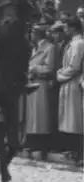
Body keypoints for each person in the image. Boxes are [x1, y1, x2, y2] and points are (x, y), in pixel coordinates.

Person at [25, 24, 57, 159]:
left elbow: (50, 68)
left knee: (40, 116)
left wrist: (34, 69)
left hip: (42, 85)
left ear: (37, 34)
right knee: (32, 116)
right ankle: (32, 141)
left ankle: (41, 143)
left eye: (32, 33)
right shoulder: (34, 48)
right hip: (31, 83)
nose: (31, 35)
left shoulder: (49, 48)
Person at [56, 17, 84, 164]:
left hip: (73, 83)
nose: (65, 30)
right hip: (68, 83)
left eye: (67, 27)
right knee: (69, 117)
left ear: (73, 27)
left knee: (74, 119)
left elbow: (74, 67)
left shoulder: (78, 44)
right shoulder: (73, 43)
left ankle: (77, 152)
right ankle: (73, 150)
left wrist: (60, 75)